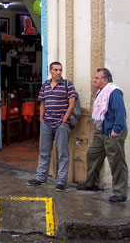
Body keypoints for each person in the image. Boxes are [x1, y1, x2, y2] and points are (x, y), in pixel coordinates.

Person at [77, 68, 128, 203]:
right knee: (92, 155)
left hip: (113, 131)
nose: (94, 80)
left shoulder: (114, 92)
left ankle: (120, 192)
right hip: (102, 131)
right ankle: (91, 184)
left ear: (105, 80)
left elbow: (121, 114)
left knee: (116, 162)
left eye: (97, 78)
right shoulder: (101, 91)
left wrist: (115, 132)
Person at [27, 61, 77, 191]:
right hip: (47, 124)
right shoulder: (45, 85)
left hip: (61, 124)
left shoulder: (68, 85)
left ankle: (61, 181)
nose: (58, 72)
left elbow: (72, 103)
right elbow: (42, 102)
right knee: (44, 152)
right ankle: (41, 178)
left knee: (62, 154)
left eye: (60, 70)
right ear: (50, 71)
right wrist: (41, 118)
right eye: (55, 70)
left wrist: (65, 119)